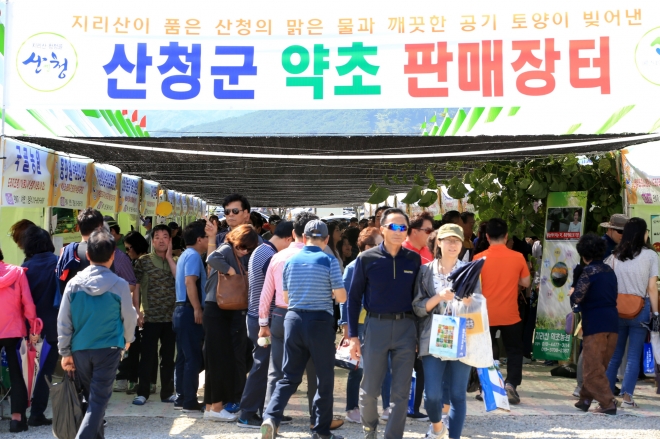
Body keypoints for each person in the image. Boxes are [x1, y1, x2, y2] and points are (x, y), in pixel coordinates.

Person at [260, 220, 347, 439]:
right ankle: (321, 430)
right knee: (323, 377)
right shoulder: (328, 259)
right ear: (326, 239)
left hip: (293, 319)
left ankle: (271, 417)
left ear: (303, 237)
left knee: (289, 376)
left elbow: (287, 297)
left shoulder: (290, 260)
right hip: (319, 322)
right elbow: (341, 296)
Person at [348, 208, 422, 439]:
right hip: (375, 326)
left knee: (401, 392)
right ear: (383, 229)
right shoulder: (366, 258)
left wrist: (418, 335)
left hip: (406, 328)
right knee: (370, 390)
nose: (399, 232)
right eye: (394, 227)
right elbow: (353, 298)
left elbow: (419, 298)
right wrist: (352, 336)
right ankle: (370, 430)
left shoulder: (414, 259)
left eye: (403, 228)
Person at [57, 229, 137, 438]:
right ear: (112, 256)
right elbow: (129, 316)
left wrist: (65, 352)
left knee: (93, 399)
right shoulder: (120, 285)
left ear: (88, 256)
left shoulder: (73, 284)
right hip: (109, 348)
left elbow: (64, 321)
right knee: (98, 401)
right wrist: (128, 339)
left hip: (80, 349)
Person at [413, 223, 474, 439]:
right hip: (432, 338)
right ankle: (438, 427)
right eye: (447, 240)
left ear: (462, 245)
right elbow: (418, 307)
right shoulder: (425, 271)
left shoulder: (470, 270)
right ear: (438, 243)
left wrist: (469, 301)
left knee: (458, 394)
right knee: (432, 396)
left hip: (462, 338)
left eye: (457, 240)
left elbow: (479, 307)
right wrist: (439, 297)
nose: (452, 244)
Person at [237, 221, 294, 428]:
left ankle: (270, 411)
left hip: (257, 317)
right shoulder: (271, 255)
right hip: (263, 320)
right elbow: (270, 292)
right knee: (262, 366)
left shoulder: (263, 248)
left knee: (267, 365)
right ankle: (248, 413)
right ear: (289, 238)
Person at [203, 224, 259, 421]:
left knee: (214, 359)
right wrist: (230, 271)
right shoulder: (226, 249)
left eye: (248, 248)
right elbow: (211, 258)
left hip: (220, 309)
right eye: (242, 246)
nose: (244, 251)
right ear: (235, 239)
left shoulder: (235, 253)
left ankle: (211, 406)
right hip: (217, 308)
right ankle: (217, 407)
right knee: (219, 360)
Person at [474, 218, 531, 405]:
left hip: (485, 314)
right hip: (510, 314)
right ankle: (511, 385)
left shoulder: (478, 258)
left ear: (487, 237)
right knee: (514, 351)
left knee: (485, 351)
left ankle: (486, 387)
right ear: (506, 237)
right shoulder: (518, 257)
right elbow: (526, 282)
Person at [605, 217, 659, 408]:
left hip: (617, 308)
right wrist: (656, 313)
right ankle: (627, 397)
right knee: (634, 355)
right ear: (642, 234)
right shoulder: (651, 256)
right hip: (640, 309)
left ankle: (606, 397)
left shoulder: (614, 256)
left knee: (615, 354)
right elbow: (652, 288)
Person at [338, 227, 388, 425]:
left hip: (378, 322)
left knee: (383, 365)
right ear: (364, 246)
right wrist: (346, 329)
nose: (377, 248)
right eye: (374, 245)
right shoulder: (353, 267)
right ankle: (352, 407)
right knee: (356, 367)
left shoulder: (381, 264)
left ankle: (384, 406)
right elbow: (346, 300)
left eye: (378, 244)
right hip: (358, 324)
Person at [571, 233, 619, 415]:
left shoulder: (588, 272)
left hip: (595, 322)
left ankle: (608, 403)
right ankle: (585, 399)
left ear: (584, 255)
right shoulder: (610, 271)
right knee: (600, 365)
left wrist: (574, 287)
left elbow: (577, 297)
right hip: (612, 322)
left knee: (591, 368)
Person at [131, 224, 178, 406]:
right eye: (157, 236)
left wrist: (169, 258)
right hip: (150, 317)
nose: (160, 240)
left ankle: (167, 392)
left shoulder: (176, 260)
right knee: (147, 357)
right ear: (152, 240)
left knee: (167, 358)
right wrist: (137, 311)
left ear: (170, 240)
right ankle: (142, 392)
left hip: (170, 317)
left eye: (165, 236)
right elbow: (135, 287)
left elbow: (180, 281)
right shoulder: (143, 261)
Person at [20, 226, 60, 427]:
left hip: (28, 328)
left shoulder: (25, 267)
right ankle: (37, 412)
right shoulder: (58, 264)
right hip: (54, 327)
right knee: (45, 370)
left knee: (26, 370)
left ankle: (20, 412)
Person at [0, 244, 40, 433]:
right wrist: (33, 327)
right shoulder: (17, 272)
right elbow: (28, 303)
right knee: (17, 375)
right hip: (13, 331)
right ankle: (16, 419)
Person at [173, 220, 208, 412]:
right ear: (199, 239)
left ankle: (182, 396)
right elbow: (190, 282)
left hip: (180, 310)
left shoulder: (185, 255)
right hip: (188, 310)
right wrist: (197, 308)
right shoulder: (193, 256)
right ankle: (189, 401)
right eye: (207, 237)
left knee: (184, 357)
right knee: (193, 358)